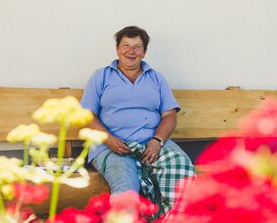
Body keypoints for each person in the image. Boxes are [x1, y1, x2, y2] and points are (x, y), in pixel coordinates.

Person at [81, 26, 194, 216]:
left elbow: (169, 115)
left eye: (137, 47)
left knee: (182, 171)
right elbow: (87, 115)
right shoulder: (101, 76)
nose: (131, 52)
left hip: (153, 144)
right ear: (117, 49)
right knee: (125, 186)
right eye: (126, 45)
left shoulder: (156, 78)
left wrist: (157, 141)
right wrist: (108, 139)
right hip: (112, 146)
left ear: (144, 52)